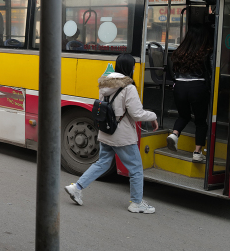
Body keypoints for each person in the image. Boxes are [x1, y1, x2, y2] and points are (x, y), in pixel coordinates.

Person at [65, 53, 159, 214]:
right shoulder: (128, 87)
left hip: (106, 131)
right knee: (136, 168)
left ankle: (76, 187)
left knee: (102, 163)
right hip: (122, 136)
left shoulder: (105, 85)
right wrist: (153, 116)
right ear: (130, 68)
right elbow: (137, 114)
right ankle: (136, 203)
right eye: (134, 66)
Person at [166, 24, 213, 162]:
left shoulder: (179, 52)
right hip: (198, 87)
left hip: (179, 87)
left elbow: (174, 71)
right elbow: (212, 71)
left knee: (183, 116)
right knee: (200, 121)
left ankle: (174, 134)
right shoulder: (206, 52)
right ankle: (197, 153)